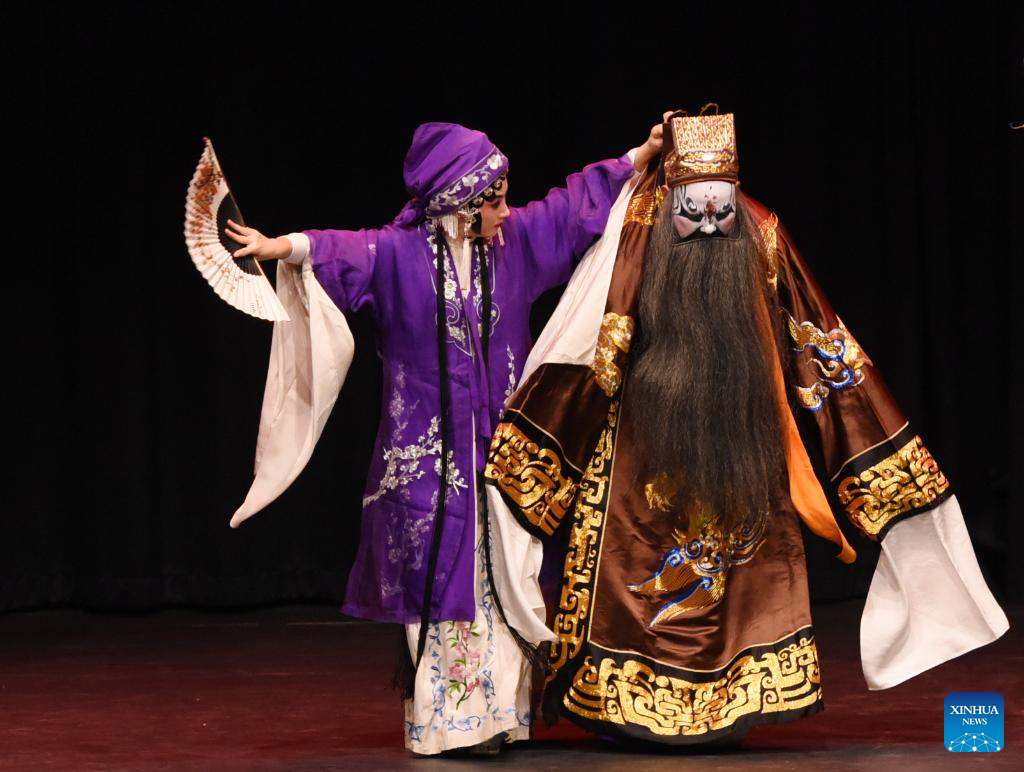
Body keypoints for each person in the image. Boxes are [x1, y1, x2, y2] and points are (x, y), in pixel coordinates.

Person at [482, 108, 1009, 747]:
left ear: (735, 193)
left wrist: (887, 469)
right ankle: (625, 702)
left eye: (719, 208)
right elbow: (600, 341)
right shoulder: (638, 229)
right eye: (694, 208)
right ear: (671, 188)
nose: (707, 222)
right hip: (638, 447)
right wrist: (538, 447)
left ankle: (731, 701)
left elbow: (822, 347)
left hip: (742, 440)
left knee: (736, 572)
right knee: (640, 567)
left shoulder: (762, 235)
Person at [223, 121, 663, 755]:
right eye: (493, 200)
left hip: (502, 457)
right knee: (442, 585)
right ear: (458, 204)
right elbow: (335, 250)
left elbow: (570, 208)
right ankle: (452, 724)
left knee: (505, 577)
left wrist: (638, 155)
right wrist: (281, 247)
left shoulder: (513, 247)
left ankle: (504, 717)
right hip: (428, 468)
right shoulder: (397, 257)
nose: (505, 211)